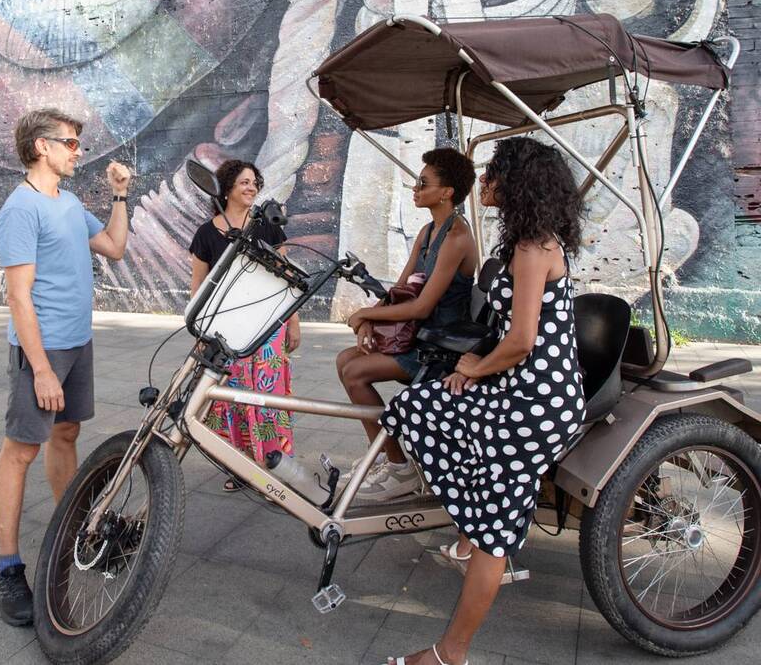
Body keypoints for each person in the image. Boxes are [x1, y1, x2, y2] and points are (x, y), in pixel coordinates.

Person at [378, 137, 585, 665]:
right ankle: (481, 526)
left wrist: (475, 367)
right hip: (517, 385)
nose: (485, 181)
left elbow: (521, 340)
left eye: (494, 173)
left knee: (494, 518)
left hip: (538, 398)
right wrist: (477, 371)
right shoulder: (522, 241)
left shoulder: (532, 247)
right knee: (417, 406)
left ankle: (451, 653)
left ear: (516, 183)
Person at [0, 108, 132, 626]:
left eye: (77, 143)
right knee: (21, 450)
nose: (77, 151)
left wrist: (119, 196)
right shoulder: (20, 210)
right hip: (42, 352)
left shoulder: (69, 204)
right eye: (69, 143)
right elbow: (18, 298)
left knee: (66, 433)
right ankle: (7, 569)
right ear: (40, 147)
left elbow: (114, 247)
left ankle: (72, 531)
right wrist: (41, 369)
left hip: (78, 342)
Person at [336, 148, 477, 501]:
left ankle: (400, 468)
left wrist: (365, 314)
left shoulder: (457, 236)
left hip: (440, 350)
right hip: (418, 339)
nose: (415, 188)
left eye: (423, 182)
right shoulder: (428, 232)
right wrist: (367, 322)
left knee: (355, 373)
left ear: (446, 192)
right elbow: (401, 293)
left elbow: (422, 306)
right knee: (344, 360)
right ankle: (384, 457)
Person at [189, 159, 301, 492]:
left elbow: (288, 277)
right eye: (244, 183)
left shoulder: (267, 226)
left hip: (267, 327)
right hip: (226, 331)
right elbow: (198, 287)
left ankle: (275, 469)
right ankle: (241, 467)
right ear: (225, 190)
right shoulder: (206, 234)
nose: (252, 188)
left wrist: (293, 323)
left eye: (255, 182)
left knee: (269, 397)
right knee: (232, 399)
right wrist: (199, 331)